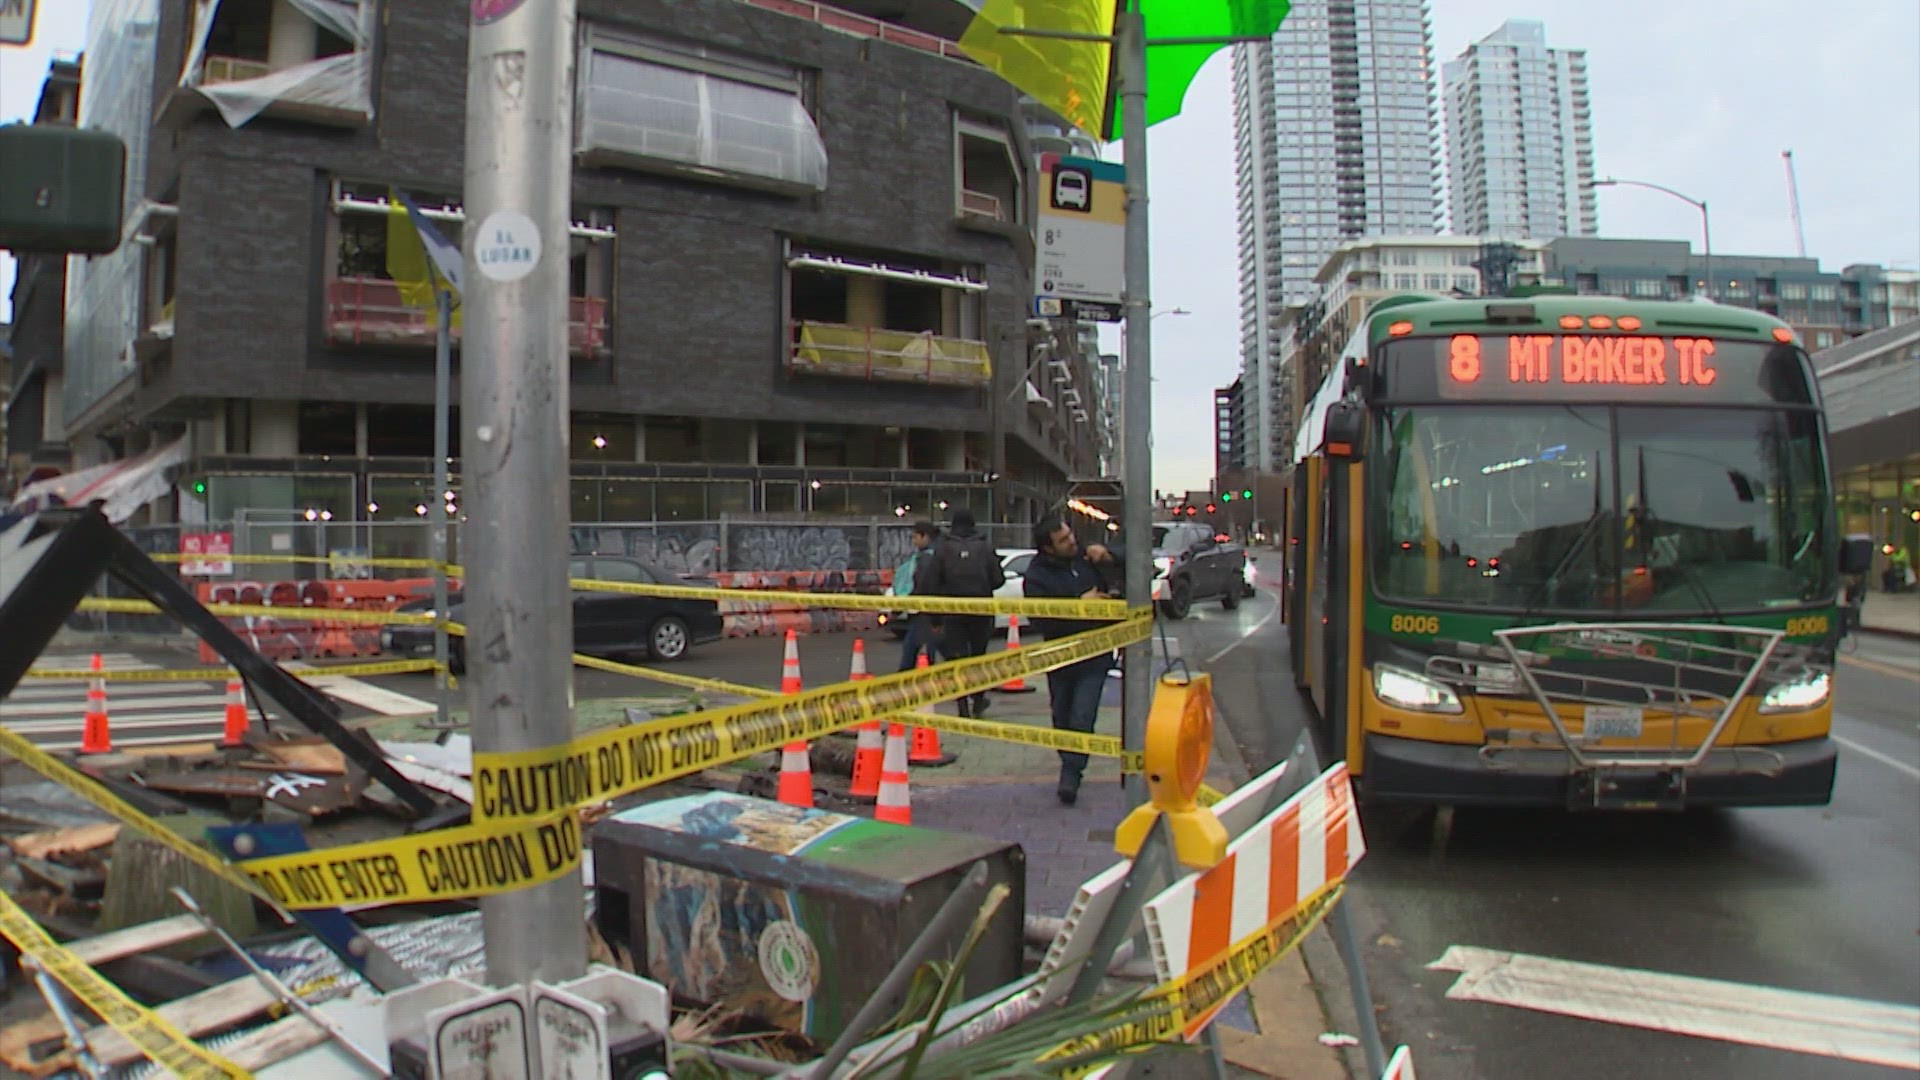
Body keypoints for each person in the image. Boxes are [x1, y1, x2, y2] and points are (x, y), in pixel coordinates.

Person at [1022, 516, 1122, 805]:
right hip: (1060, 657)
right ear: (1048, 548)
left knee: (1082, 714)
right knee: (1062, 716)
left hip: (1095, 655)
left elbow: (1135, 566)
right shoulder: (1037, 577)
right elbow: (1042, 622)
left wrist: (1108, 555)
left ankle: (1071, 773)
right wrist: (1080, 606)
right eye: (1063, 540)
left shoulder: (1086, 560)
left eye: (1070, 535)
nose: (1072, 541)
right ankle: (1070, 761)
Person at [914, 508, 1000, 717]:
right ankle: (978, 700)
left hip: (953, 613)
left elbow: (931, 583)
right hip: (982, 611)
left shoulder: (944, 549)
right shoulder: (985, 546)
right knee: (979, 658)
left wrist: (935, 618)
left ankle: (962, 706)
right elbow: (999, 579)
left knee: (957, 660)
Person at [892, 521, 941, 671]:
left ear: (925, 537)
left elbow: (921, 586)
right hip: (933, 613)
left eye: (915, 538)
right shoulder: (938, 555)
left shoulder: (926, 559)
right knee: (928, 651)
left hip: (924, 613)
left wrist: (901, 606)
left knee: (912, 653)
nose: (914, 542)